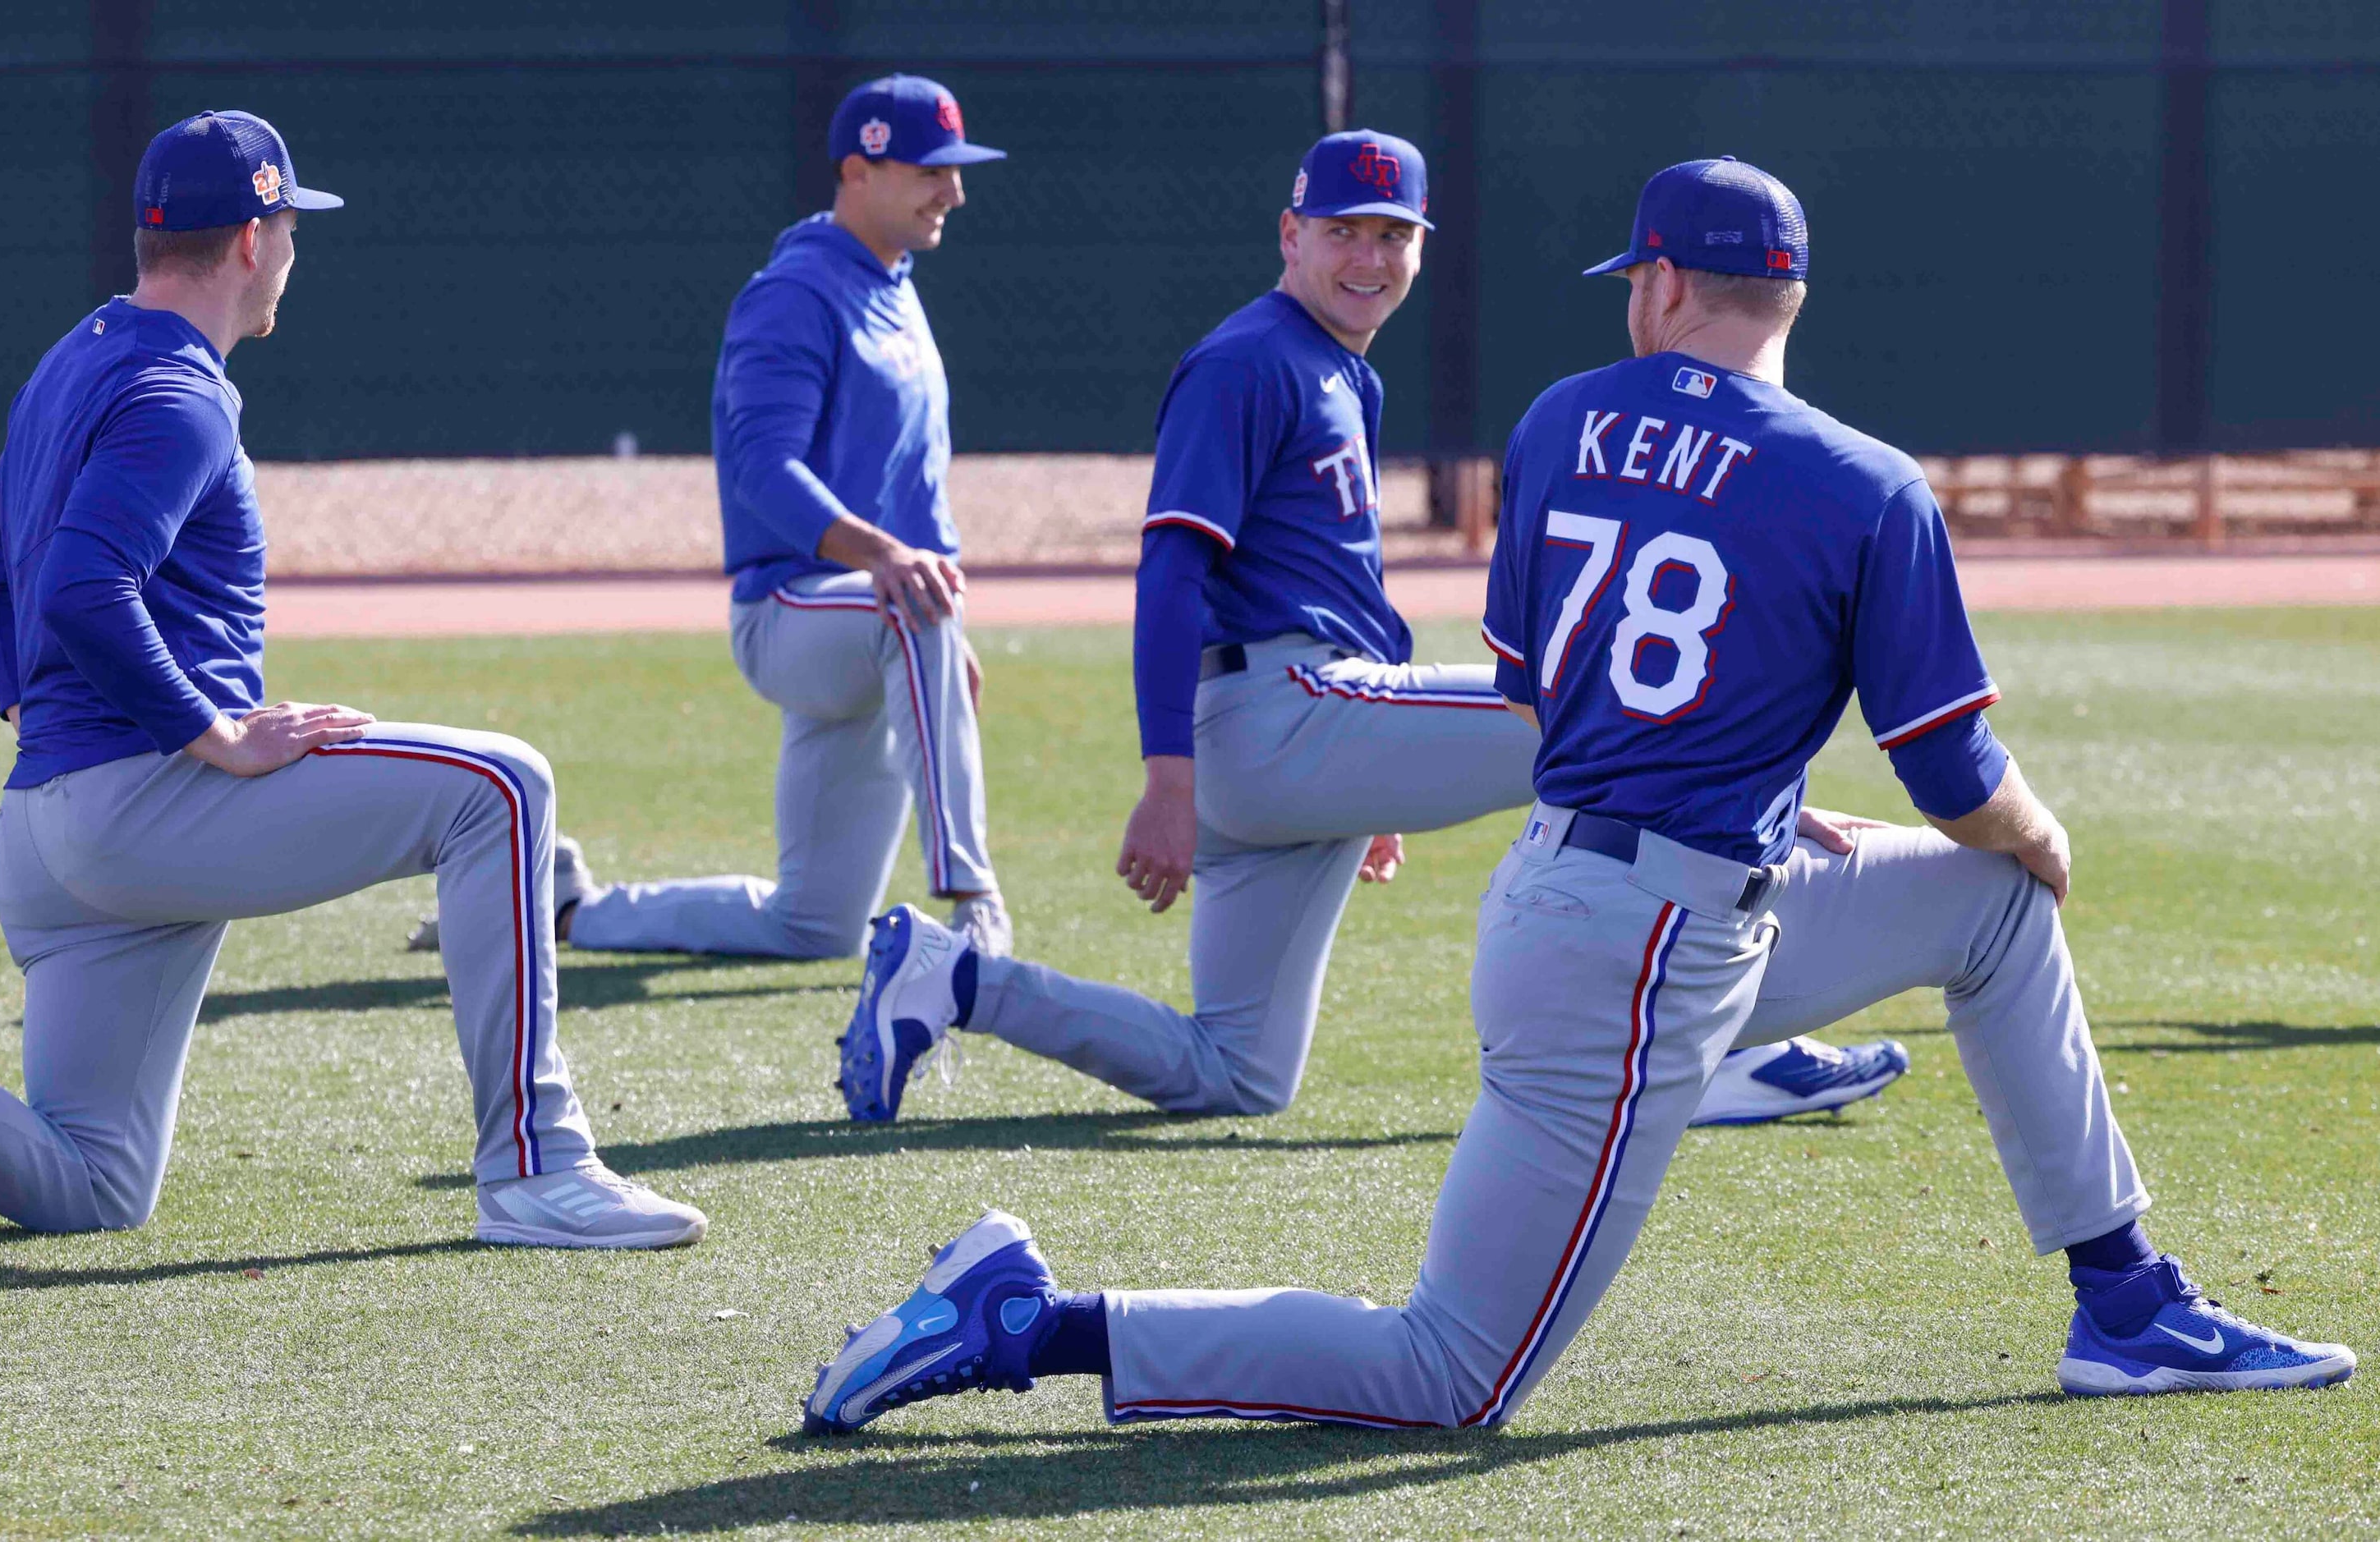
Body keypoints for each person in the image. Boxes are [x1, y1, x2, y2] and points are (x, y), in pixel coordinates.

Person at [802, 156, 2354, 1433]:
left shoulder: (1556, 422)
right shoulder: (1867, 479)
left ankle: (2128, 1300)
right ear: (1790, 295)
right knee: (1448, 1371)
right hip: (1635, 949)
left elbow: (1544, 691)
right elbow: (1951, 772)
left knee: (1989, 917)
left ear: (1664, 285)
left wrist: (1772, 797)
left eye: (1634, 280)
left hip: (1609, 891)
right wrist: (2034, 821)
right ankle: (1031, 1319)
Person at [834, 130, 1905, 1130]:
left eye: (1392, 234)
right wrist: (1168, 773)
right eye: (1342, 229)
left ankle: (951, 976)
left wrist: (1383, 771)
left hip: (1310, 737)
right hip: (1270, 717)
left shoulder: (1338, 364)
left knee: (1238, 1069)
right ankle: (1712, 1051)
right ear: (1290, 236)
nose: (1368, 255)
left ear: (1421, 248)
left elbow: (1333, 582)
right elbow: (1170, 570)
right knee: (1590, 722)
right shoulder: (1249, 358)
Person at [0, 110, 705, 1250]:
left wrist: (20, 692)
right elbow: (81, 585)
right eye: (289, 227)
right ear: (250, 241)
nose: (293, 252)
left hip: (44, 832)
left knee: (92, 1185)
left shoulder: (78, 353)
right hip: (136, 810)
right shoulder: (178, 391)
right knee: (502, 788)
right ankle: (536, 1168)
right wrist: (215, 734)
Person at [405, 75, 1014, 961]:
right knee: (911, 609)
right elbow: (764, 469)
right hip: (791, 618)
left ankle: (568, 908)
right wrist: (896, 570)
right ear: (858, 170)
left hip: (874, 628)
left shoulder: (897, 287)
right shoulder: (793, 293)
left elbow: (918, 485)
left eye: (956, 171)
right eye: (929, 169)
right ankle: (976, 898)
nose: (952, 191)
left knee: (813, 927)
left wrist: (936, 619)